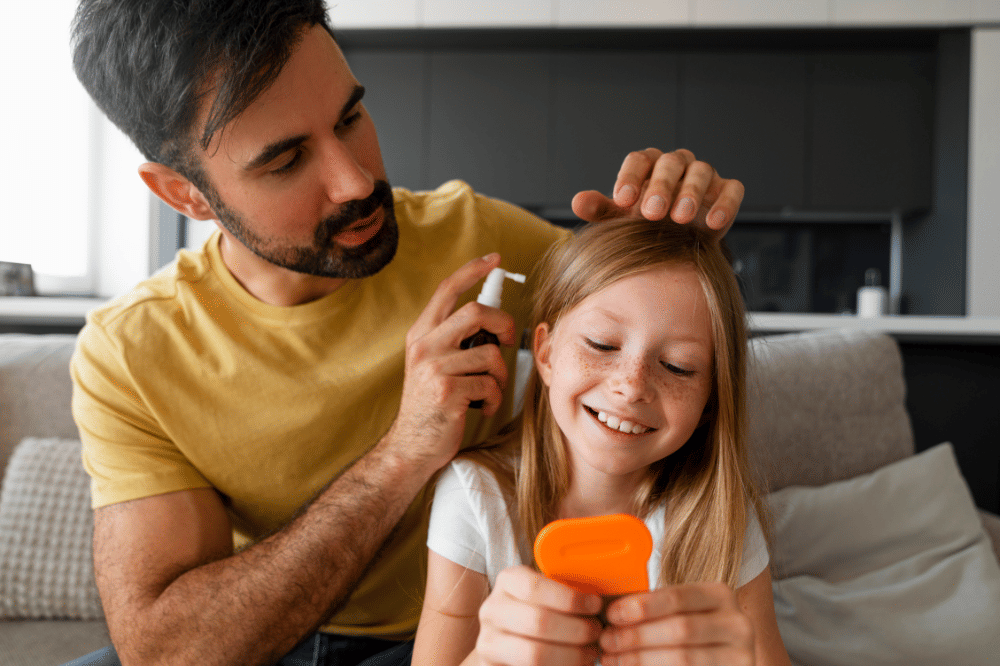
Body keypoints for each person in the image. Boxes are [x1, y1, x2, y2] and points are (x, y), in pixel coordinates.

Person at [66, 1, 745, 665]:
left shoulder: (479, 240)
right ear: (183, 193)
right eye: (285, 160)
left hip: (465, 634)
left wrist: (682, 240)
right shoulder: (130, 352)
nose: (356, 180)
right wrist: (405, 451)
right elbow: (171, 652)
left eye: (350, 117)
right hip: (264, 637)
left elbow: (667, 348)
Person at [412, 217, 790, 666]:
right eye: (602, 345)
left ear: (710, 400)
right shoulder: (476, 496)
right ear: (547, 355)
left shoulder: (720, 513)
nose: (631, 386)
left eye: (677, 366)